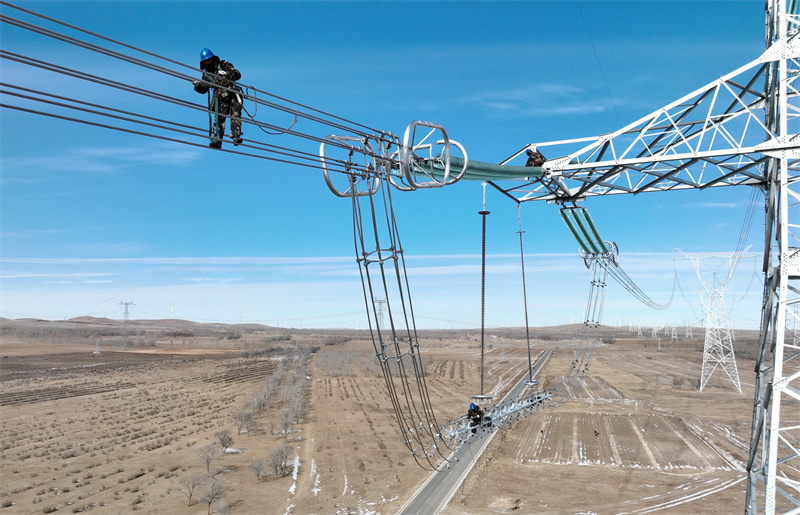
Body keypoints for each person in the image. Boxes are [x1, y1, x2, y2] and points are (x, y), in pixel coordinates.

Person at [192, 48, 243, 148]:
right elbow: (204, 89)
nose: (208, 62)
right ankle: (217, 140)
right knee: (218, 118)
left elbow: (237, 74)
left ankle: (236, 136)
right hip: (220, 97)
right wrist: (197, 86)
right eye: (205, 61)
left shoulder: (223, 65)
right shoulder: (206, 75)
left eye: (209, 60)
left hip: (232, 93)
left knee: (235, 115)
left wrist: (227, 74)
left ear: (213, 59)